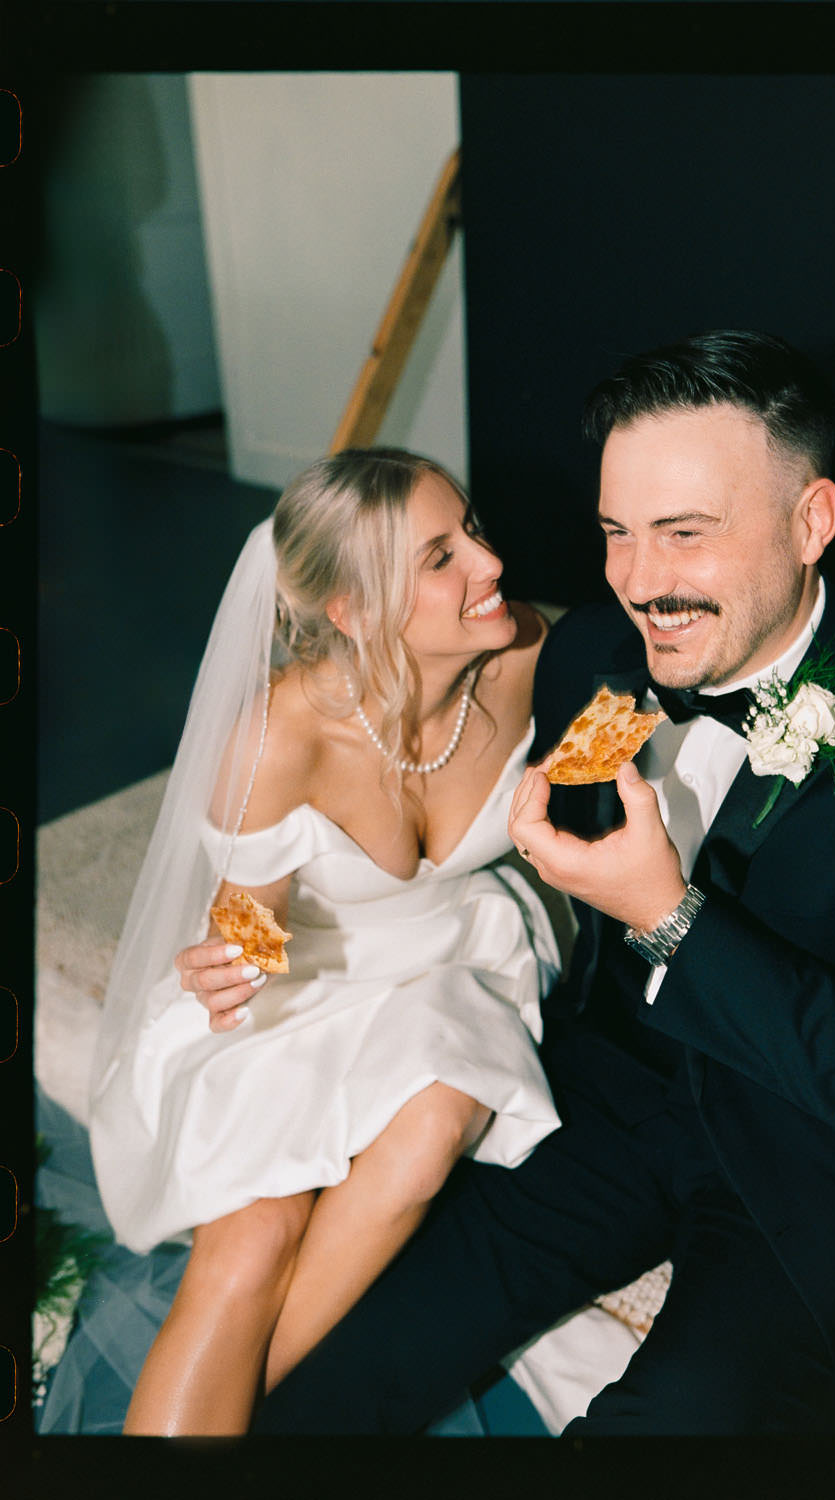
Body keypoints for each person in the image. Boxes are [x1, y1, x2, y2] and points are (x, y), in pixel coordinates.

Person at [252, 330, 835, 1436]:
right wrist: (254, 916)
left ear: (809, 522)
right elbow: (393, 736)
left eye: (684, 535)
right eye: (616, 534)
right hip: (612, 1096)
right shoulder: (590, 656)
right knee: (342, 1358)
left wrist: (667, 917)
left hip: (808, 1167)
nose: (637, 583)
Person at [87, 447, 565, 1435]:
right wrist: (217, 968)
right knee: (250, 1239)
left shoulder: (528, 655)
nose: (489, 563)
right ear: (350, 609)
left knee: (437, 1117)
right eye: (440, 557)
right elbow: (248, 937)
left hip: (462, 954)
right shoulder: (280, 735)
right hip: (310, 974)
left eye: (471, 527)